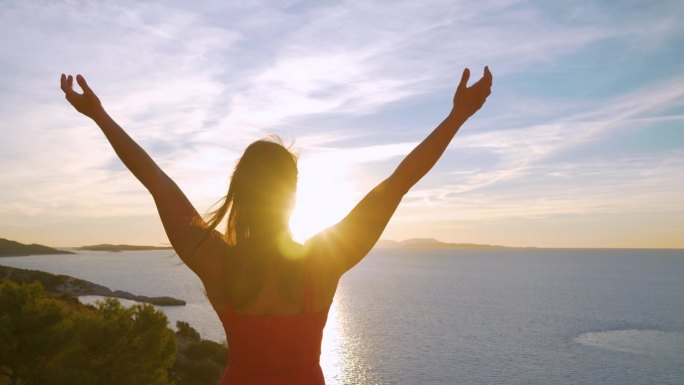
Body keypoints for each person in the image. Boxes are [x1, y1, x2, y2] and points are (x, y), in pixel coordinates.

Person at [60, 66, 492, 384]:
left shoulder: (215, 263)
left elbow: (156, 181)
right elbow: (397, 184)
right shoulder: (323, 261)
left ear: (239, 193)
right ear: (293, 195)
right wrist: (457, 116)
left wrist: (100, 115)